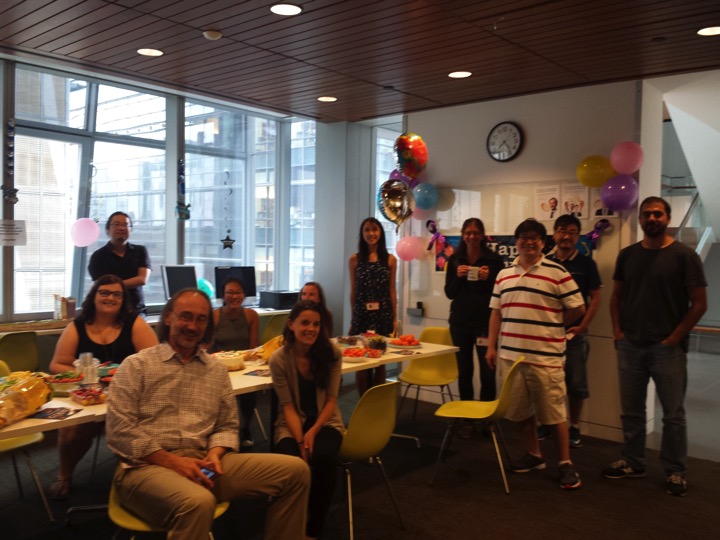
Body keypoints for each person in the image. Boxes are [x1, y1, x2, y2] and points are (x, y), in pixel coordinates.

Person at [106, 289, 310, 540]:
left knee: (296, 472)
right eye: (186, 316)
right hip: (146, 468)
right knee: (198, 502)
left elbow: (227, 425)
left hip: (204, 463)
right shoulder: (136, 366)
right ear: (168, 317)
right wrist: (173, 462)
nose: (193, 326)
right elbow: (120, 432)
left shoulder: (216, 370)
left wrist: (215, 454)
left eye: (201, 319)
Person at [603, 196, 707, 497]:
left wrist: (674, 338)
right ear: (640, 219)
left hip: (667, 349)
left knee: (673, 415)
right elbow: (616, 297)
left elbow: (699, 304)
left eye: (658, 214)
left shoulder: (685, 257)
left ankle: (675, 472)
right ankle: (633, 462)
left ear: (667, 218)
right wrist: (618, 332)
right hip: (630, 346)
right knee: (631, 412)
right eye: (647, 214)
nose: (652, 218)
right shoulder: (627, 255)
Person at [486, 218, 586, 490]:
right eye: (523, 236)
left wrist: (554, 325)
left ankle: (565, 463)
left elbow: (577, 308)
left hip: (546, 357)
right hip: (511, 357)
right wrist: (492, 346)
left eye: (535, 237)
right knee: (520, 412)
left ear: (544, 242)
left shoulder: (557, 271)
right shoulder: (504, 274)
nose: (528, 241)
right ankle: (534, 455)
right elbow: (496, 312)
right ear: (516, 241)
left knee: (554, 414)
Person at [47, 275, 158, 499]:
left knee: (132, 430)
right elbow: (56, 364)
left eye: (117, 294)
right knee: (70, 433)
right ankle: (64, 475)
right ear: (94, 296)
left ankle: (138, 477)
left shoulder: (134, 323)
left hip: (129, 398)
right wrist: (89, 373)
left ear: (123, 299)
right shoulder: (77, 326)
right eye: (104, 293)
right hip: (89, 397)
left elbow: (154, 360)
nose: (110, 298)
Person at [270, 300, 344, 540]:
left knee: (323, 457)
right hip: (291, 423)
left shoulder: (332, 353)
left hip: (325, 421)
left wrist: (312, 433)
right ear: (291, 325)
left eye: (316, 324)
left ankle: (314, 529)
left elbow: (331, 401)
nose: (311, 329)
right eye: (304, 323)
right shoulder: (279, 359)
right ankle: (290, 527)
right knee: (291, 463)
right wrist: (302, 442)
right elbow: (288, 408)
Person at [537, 214, 602, 448]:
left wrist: (584, 325)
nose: (566, 236)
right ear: (553, 234)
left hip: (575, 334)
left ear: (578, 236)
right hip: (548, 334)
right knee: (546, 382)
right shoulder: (544, 261)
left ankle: (574, 426)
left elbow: (595, 298)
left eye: (572, 232)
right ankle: (546, 422)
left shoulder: (586, 264)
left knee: (575, 383)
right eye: (562, 231)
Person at [444, 218, 504, 438]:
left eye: (476, 233)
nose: (471, 236)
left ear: (482, 235)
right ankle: (467, 419)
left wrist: (488, 279)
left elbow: (500, 294)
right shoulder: (454, 259)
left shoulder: (495, 260)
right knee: (465, 372)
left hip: (484, 325)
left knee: (488, 373)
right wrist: (459, 277)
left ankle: (487, 420)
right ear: (462, 235)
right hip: (459, 323)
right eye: (468, 233)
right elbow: (449, 293)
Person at [209, 277, 260, 448]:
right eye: (230, 292)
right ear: (223, 296)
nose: (234, 296)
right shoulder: (215, 316)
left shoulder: (251, 315)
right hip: (220, 367)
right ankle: (218, 431)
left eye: (238, 292)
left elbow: (252, 349)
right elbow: (208, 348)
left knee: (251, 389)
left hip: (243, 366)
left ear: (244, 295)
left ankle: (245, 427)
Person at [349, 217, 397, 395]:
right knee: (362, 360)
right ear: (362, 234)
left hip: (382, 315)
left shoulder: (390, 259)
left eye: (375, 229)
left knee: (380, 360)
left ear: (381, 232)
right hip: (362, 315)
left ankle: (377, 400)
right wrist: (354, 318)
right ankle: (363, 399)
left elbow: (392, 291)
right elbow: (353, 291)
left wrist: (394, 319)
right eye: (367, 230)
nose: (371, 233)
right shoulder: (355, 260)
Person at [88, 211, 151, 314]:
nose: (121, 228)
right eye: (116, 224)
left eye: (125, 224)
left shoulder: (140, 251)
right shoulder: (98, 256)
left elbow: (142, 279)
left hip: (136, 311)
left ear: (130, 230)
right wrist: (120, 285)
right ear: (108, 230)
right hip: (109, 312)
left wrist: (113, 286)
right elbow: (102, 287)